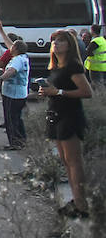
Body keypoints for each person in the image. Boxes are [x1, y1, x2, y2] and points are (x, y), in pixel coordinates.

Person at [39, 29, 94, 218]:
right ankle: (76, 201)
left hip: (70, 116)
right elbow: (55, 90)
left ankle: (82, 205)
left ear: (69, 45)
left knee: (74, 162)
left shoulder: (73, 66)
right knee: (65, 161)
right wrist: (45, 91)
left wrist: (59, 92)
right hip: (56, 114)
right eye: (54, 41)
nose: (56, 44)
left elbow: (87, 92)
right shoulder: (56, 67)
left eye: (61, 41)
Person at [0, 31, 29, 150]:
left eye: (12, 47)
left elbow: (11, 71)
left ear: (16, 49)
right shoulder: (23, 57)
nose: (10, 48)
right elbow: (10, 45)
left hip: (12, 94)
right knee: (17, 118)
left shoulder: (17, 60)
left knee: (11, 119)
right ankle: (22, 139)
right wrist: (1, 30)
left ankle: (15, 142)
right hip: (20, 93)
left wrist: (0, 79)